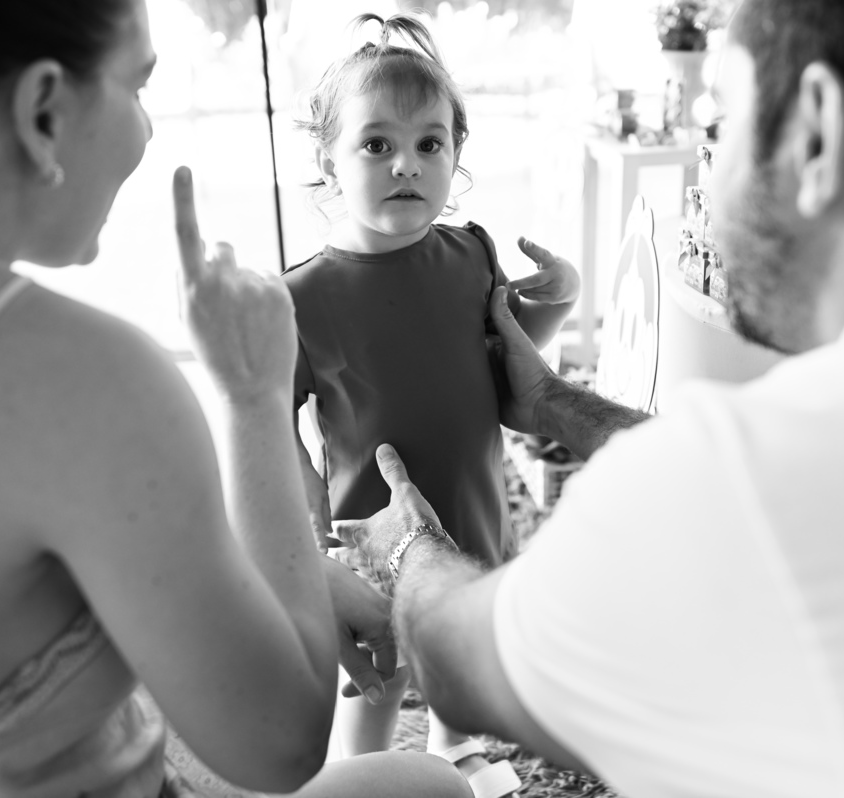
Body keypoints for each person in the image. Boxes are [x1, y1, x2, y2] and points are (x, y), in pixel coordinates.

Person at [336, 0, 844, 796]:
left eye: (720, 123)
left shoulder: (740, 479)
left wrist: (402, 546)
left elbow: (458, 661)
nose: (706, 176)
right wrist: (556, 404)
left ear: (819, 132)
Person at [0, 1, 473, 796]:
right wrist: (252, 395)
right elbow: (279, 742)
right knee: (435, 784)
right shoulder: (81, 376)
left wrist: (301, 576)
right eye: (137, 87)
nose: (145, 131)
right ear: (43, 111)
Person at [283, 13, 579, 796]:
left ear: (456, 153)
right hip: (374, 537)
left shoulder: (472, 253)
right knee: (375, 684)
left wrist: (557, 302)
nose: (406, 164)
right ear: (329, 159)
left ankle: (455, 764)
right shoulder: (301, 297)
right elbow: (272, 422)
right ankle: (360, 778)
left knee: (460, 671)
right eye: (376, 144)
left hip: (472, 510)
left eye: (429, 144)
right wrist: (310, 521)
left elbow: (508, 370)